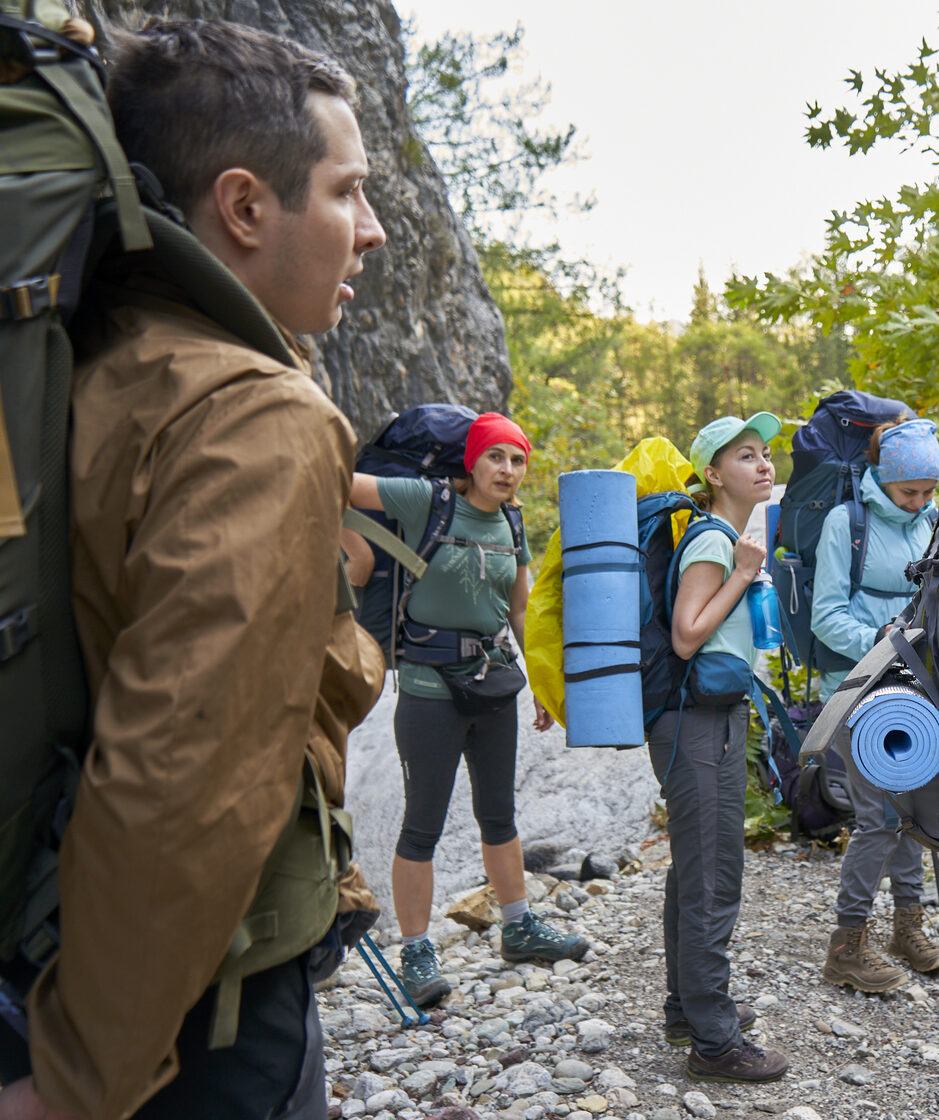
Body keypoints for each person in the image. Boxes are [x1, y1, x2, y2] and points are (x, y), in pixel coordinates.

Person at [0, 20, 387, 1120]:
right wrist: (77, 1081)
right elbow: (182, 784)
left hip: (44, 945)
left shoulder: (98, 356)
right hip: (194, 1028)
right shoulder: (252, 418)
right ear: (246, 206)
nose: (373, 230)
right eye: (346, 191)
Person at [346, 412, 587, 1008]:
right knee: (422, 823)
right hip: (429, 689)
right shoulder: (424, 500)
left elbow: (522, 608)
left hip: (492, 685)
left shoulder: (511, 520)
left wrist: (541, 684)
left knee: (499, 815)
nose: (507, 471)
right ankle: (417, 952)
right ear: (472, 463)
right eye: (495, 458)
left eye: (517, 460)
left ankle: (520, 926)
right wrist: (351, 547)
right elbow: (330, 479)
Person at [651, 413, 789, 1084]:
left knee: (694, 867)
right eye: (744, 456)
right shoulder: (713, 541)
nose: (763, 465)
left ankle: (687, 1008)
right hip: (695, 723)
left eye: (765, 454)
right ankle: (714, 1042)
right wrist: (741, 573)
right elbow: (686, 635)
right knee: (711, 877)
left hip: (710, 717)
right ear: (712, 474)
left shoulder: (725, 537)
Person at [810, 418, 939, 993]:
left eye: (926, 491)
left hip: (920, 687)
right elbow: (825, 617)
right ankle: (847, 945)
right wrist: (886, 638)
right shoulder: (847, 523)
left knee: (914, 813)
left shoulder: (935, 524)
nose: (918, 501)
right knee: (879, 817)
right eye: (907, 491)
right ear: (881, 480)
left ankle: (906, 929)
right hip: (857, 686)